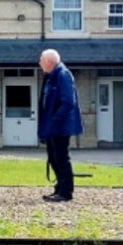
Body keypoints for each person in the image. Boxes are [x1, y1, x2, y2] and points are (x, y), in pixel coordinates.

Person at [38, 48, 84, 202]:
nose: (40, 63)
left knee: (61, 157)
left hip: (60, 126)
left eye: (41, 60)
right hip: (52, 126)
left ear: (49, 62)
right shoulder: (51, 76)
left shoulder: (63, 75)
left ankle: (66, 192)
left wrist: (55, 120)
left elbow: (69, 102)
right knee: (53, 157)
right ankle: (59, 188)